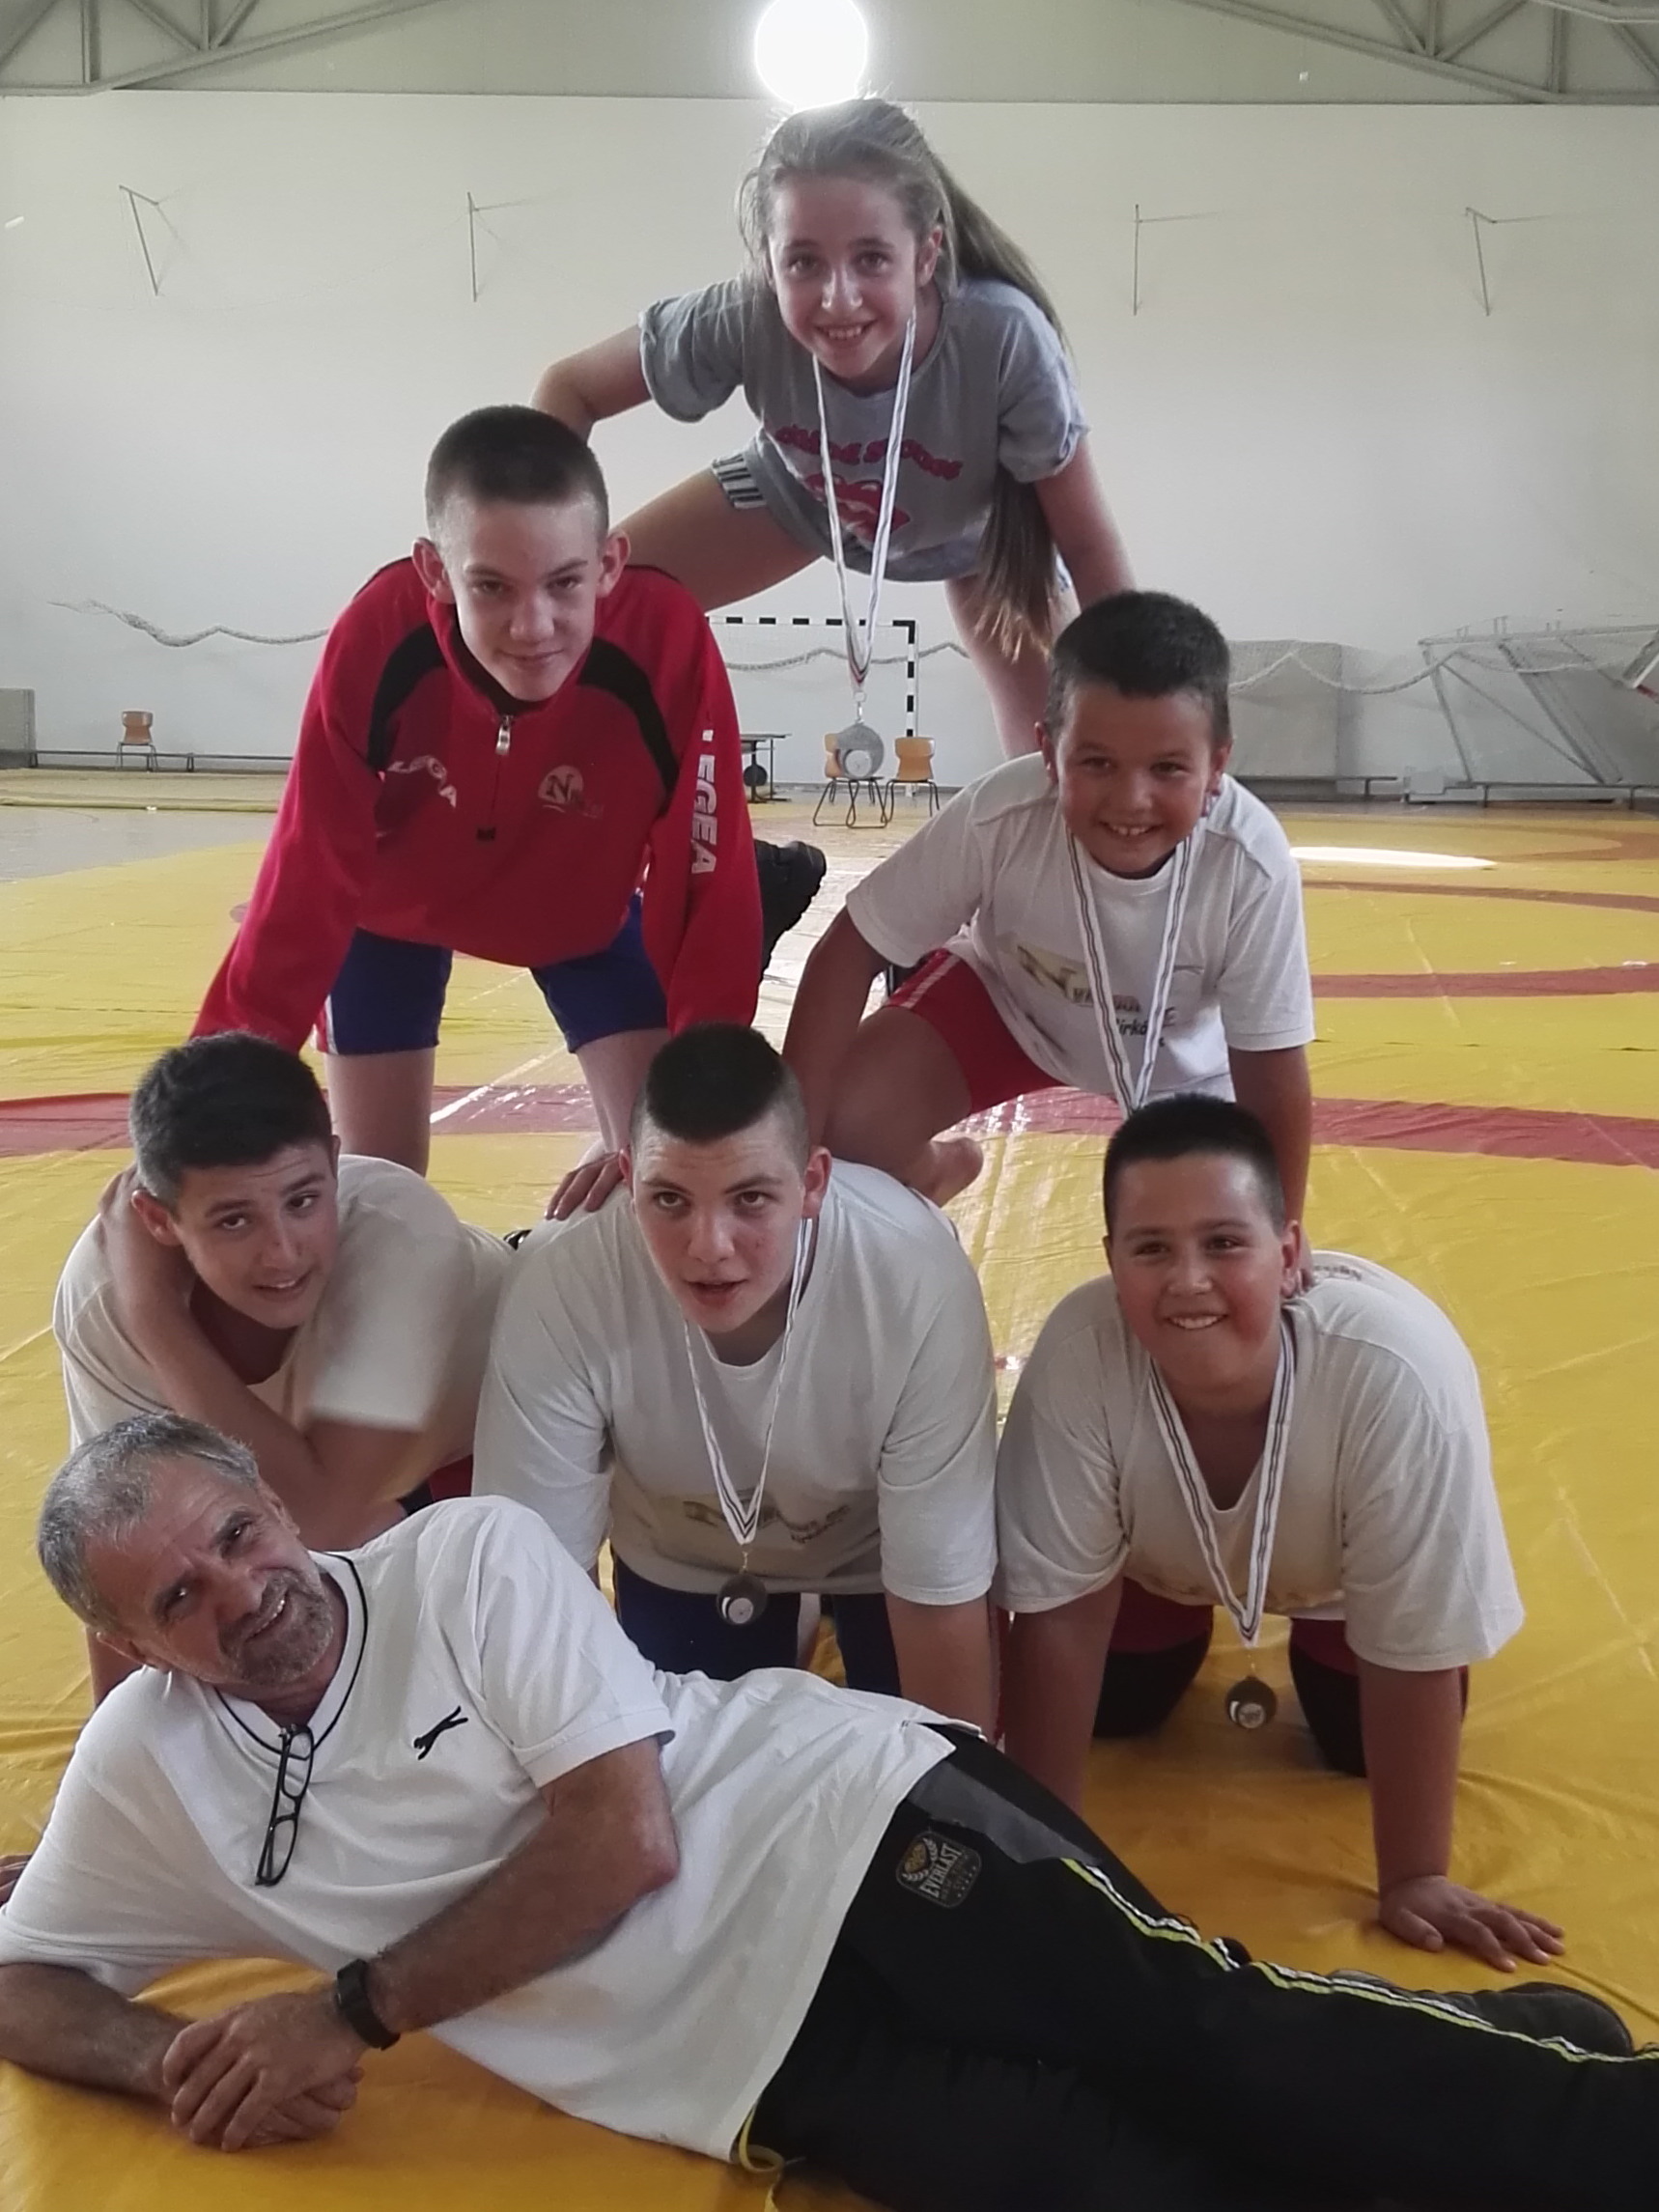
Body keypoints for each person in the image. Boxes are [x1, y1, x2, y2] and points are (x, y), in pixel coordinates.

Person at [1, 1414, 1653, 2212]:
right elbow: (19, 1972)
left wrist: (344, 2010)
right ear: (129, 1646)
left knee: (1198, 2038)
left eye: (236, 1535)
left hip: (846, 1826)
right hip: (743, 2056)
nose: (241, 1594)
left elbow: (620, 1838)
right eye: (179, 1597)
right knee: (1110, 2189)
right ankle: (1520, 2049)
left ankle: (1604, 2120)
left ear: (273, 1499)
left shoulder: (462, 1559)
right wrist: (173, 2059)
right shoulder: (153, 1762)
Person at [193, 403, 824, 1179]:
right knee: (382, 1194)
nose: (533, 626)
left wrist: (706, 1070)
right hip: (389, 918)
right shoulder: (379, 635)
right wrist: (213, 1102)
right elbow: (307, 869)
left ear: (610, 565)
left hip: (580, 914)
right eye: (491, 586)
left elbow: (708, 876)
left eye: (565, 583)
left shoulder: (665, 643)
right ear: (434, 572)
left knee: (670, 1169)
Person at [997, 1093, 1550, 1972]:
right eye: (1151, 1248)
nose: (1188, 1280)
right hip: (1151, 1560)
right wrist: (1040, 1849)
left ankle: (1297, 1638)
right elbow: (1059, 1617)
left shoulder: (1395, 1374)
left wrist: (1415, 1875)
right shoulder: (1077, 1354)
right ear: (1110, 1260)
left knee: (1361, 1745)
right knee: (1119, 1704)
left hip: (1341, 1577)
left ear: (1289, 1255)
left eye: (1224, 1242)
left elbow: (1415, 1638)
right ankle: (1179, 1617)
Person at [532, 98, 1134, 763]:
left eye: (871, 259)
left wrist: (1141, 689)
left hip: (980, 539)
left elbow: (1085, 541)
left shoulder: (1003, 337)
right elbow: (571, 387)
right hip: (799, 498)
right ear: (768, 263)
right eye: (804, 262)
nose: (838, 299)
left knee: (1068, 748)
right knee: (582, 607)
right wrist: (534, 561)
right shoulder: (744, 314)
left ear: (926, 254)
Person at [474, 1024, 998, 1732]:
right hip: (682, 1552)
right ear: (628, 1177)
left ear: (812, 1183)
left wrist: (953, 1794)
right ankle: (788, 1623)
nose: (709, 1247)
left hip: (871, 1550)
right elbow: (537, 1599)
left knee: (918, 1745)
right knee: (677, 1756)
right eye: (670, 1199)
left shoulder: (916, 1277)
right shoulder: (562, 1282)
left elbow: (941, 1610)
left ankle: (817, 1611)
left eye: (749, 1199)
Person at [784, 591, 1315, 1213]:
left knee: (1219, 1222)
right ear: (1048, 755)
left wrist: (1283, 1225)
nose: (1131, 800)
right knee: (843, 1125)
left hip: (1177, 1059)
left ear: (1217, 765)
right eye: (1097, 763)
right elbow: (849, 950)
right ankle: (934, 1171)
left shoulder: (1250, 862)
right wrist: (788, 1151)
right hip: (1008, 1004)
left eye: (1169, 768)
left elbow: (1272, 1068)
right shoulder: (999, 815)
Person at [55, 1034, 509, 1557]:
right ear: (159, 1220)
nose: (283, 1254)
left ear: (336, 1164)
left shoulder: (403, 1233)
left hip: (496, 1432)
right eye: (234, 1220)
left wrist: (155, 1317)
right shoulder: (100, 1296)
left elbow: (314, 1524)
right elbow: (125, 1538)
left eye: (303, 1201)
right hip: (350, 1485)